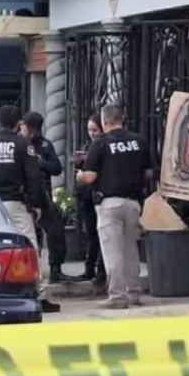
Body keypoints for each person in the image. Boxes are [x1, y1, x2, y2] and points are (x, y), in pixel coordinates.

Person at [0, 104, 61, 314]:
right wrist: (36, 204)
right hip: (15, 203)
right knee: (29, 248)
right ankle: (38, 294)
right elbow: (33, 177)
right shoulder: (23, 145)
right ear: (17, 124)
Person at [76, 105, 154, 309]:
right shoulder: (139, 141)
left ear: (104, 122)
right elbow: (148, 172)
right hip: (134, 203)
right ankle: (134, 292)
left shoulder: (100, 144)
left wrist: (79, 175)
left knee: (113, 251)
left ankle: (117, 296)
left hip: (109, 203)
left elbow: (90, 176)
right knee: (130, 250)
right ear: (123, 118)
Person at [20, 111, 68, 283]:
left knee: (56, 231)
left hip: (42, 195)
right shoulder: (19, 144)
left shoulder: (45, 145)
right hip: (24, 195)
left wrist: (41, 162)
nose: (21, 128)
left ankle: (56, 269)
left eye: (23, 125)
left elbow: (56, 168)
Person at [73, 115, 108, 287]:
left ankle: (101, 271)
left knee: (101, 235)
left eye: (95, 129)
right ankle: (89, 268)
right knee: (91, 234)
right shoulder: (88, 145)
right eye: (89, 130)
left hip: (99, 194)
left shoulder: (103, 145)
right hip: (86, 195)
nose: (92, 133)